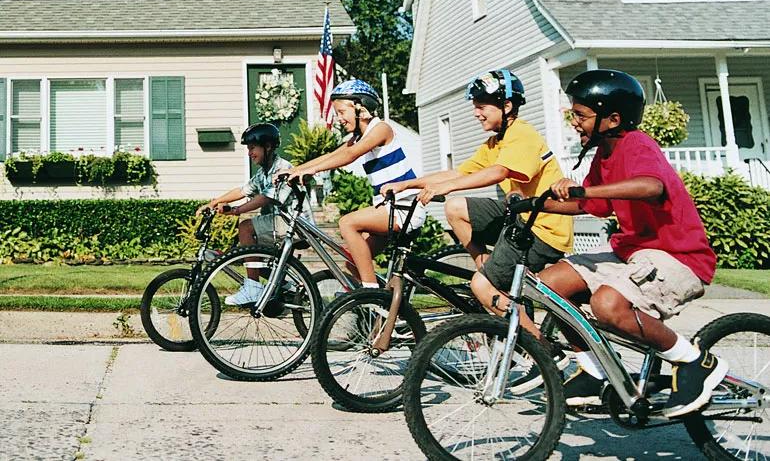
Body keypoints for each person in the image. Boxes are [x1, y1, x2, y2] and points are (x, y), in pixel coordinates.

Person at [526, 69, 723, 418]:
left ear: (613, 118)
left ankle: (695, 362)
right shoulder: (604, 154)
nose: (575, 122)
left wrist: (584, 189)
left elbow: (651, 187)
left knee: (606, 304)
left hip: (679, 258)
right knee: (549, 285)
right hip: (632, 252)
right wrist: (533, 203)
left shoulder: (637, 144)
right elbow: (592, 205)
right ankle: (594, 370)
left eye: (581, 115)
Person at [382, 69, 572, 318]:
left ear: (506, 106)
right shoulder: (495, 143)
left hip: (543, 231)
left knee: (481, 287)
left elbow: (499, 172)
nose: (476, 113)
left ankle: (540, 348)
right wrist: (407, 185)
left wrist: (447, 187)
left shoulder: (522, 135)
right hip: (520, 219)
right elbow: (458, 174)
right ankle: (486, 266)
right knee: (455, 207)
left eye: (482, 106)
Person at [278, 79, 424, 288]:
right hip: (389, 208)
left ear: (360, 107)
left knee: (347, 223)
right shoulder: (359, 136)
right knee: (353, 262)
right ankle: (379, 309)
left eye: (341, 112)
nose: (339, 119)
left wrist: (311, 170)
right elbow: (332, 154)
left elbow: (351, 154)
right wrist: (297, 169)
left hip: (404, 209)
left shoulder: (381, 129)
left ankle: (370, 294)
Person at [197, 122, 306, 305]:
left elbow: (267, 198)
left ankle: (253, 288)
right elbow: (242, 190)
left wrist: (236, 210)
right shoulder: (263, 172)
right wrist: (213, 202)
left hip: (294, 224)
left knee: (246, 228)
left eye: (252, 148)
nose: (249, 153)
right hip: (279, 224)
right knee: (249, 256)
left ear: (268, 146)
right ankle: (290, 286)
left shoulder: (282, 168)